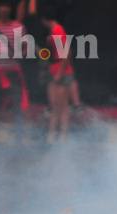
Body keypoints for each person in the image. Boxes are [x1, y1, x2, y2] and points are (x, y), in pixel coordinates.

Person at [0, 0, 30, 140]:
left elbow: (26, 48)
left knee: (18, 108)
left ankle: (19, 141)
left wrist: (18, 54)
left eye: (7, 7)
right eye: (2, 6)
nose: (4, 9)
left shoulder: (19, 27)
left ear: (10, 9)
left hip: (13, 72)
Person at [40, 8, 76, 143]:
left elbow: (66, 54)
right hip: (56, 70)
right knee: (55, 105)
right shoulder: (54, 31)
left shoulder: (57, 31)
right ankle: (53, 133)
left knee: (62, 106)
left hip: (61, 72)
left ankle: (62, 135)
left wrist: (60, 74)